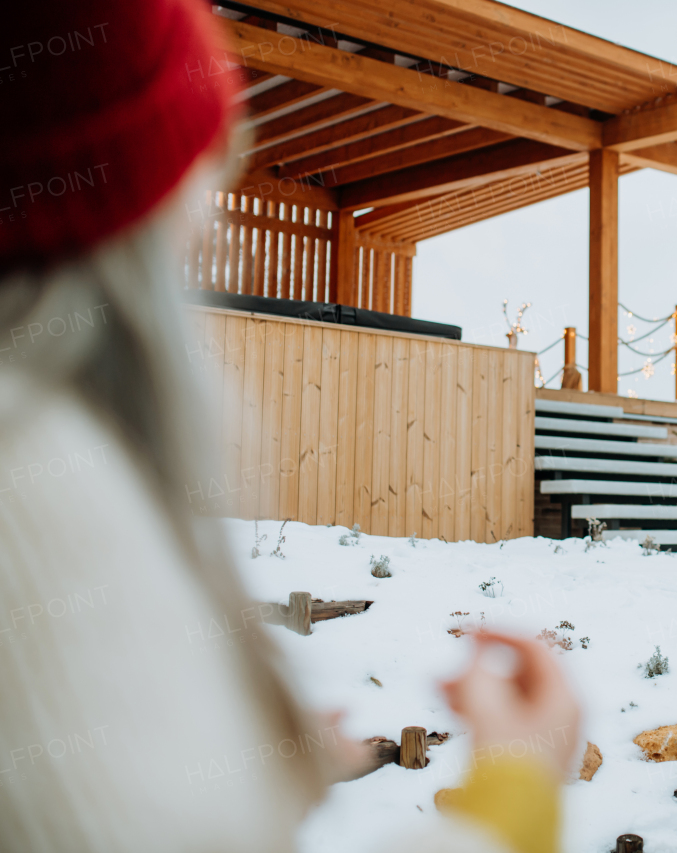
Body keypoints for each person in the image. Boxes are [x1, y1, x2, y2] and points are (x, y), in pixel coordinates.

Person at [0, 2, 577, 852]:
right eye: (204, 176)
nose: (211, 225)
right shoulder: (33, 478)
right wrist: (517, 789)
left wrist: (213, 765)